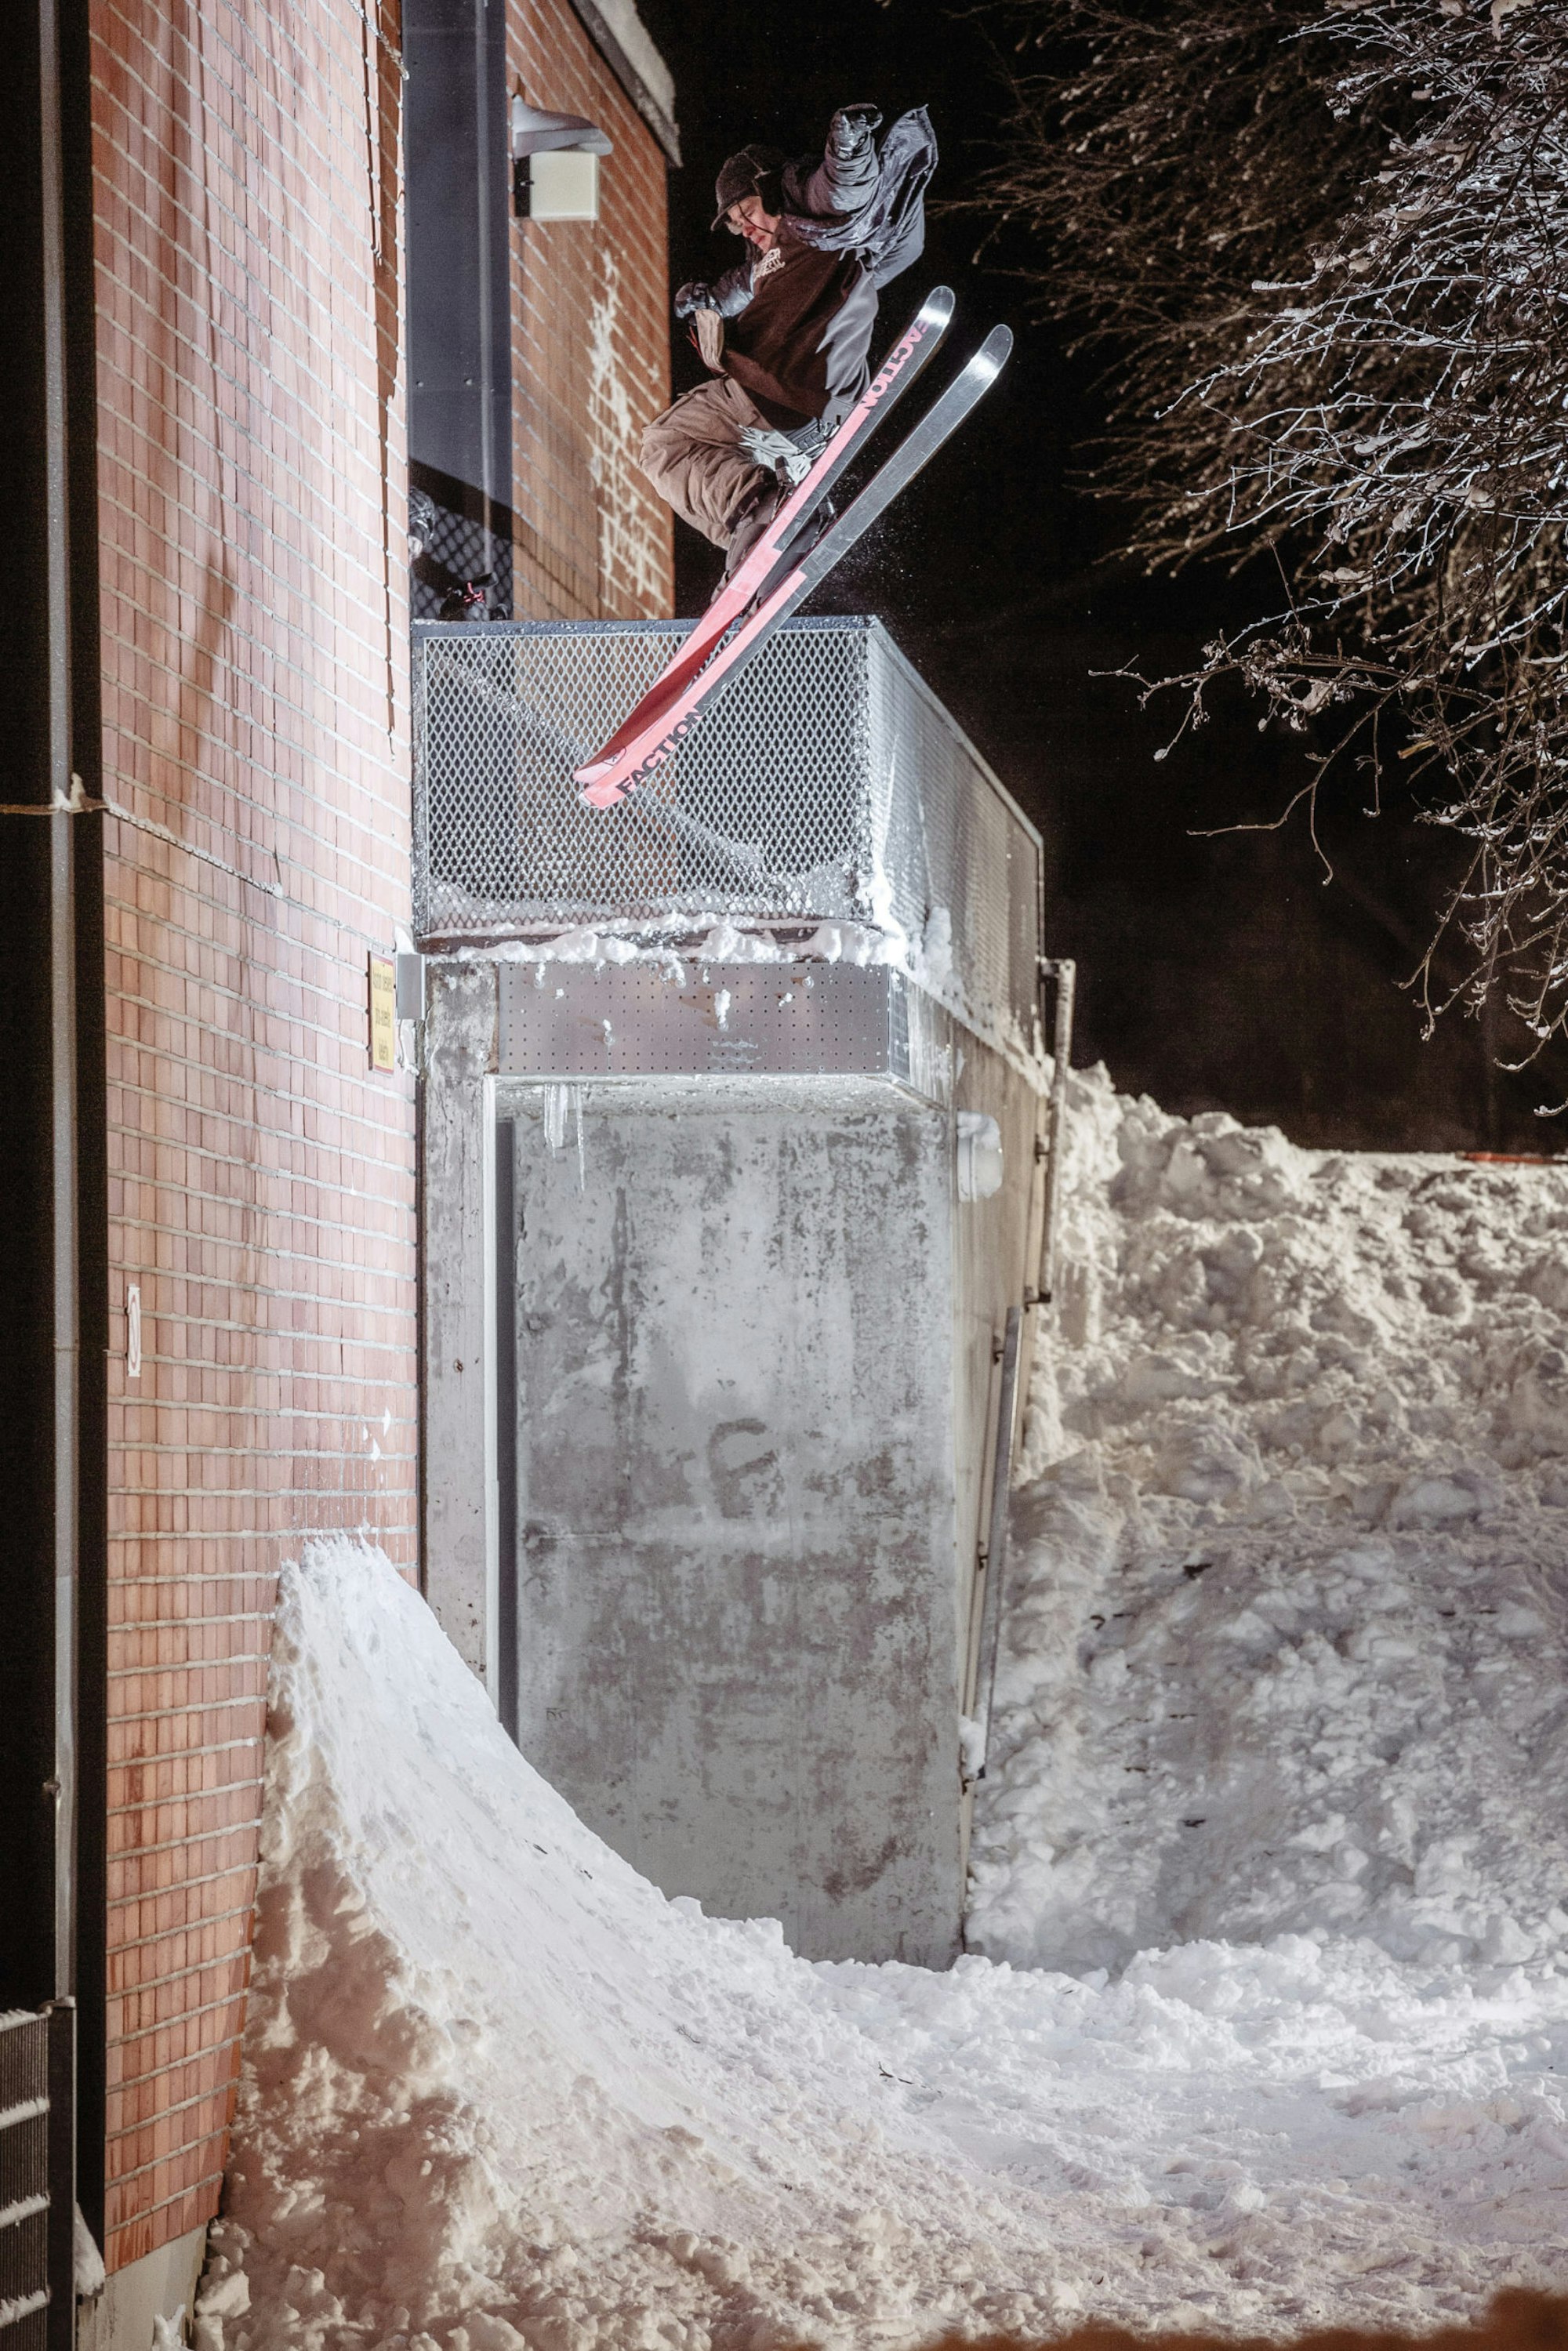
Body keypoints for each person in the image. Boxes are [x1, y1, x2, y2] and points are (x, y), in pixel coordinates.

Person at [639, 105, 937, 591]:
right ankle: (764, 548)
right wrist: (706, 300)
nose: (746, 228)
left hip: (772, 388)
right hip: (814, 418)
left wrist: (848, 148)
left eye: (747, 212)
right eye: (736, 225)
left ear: (769, 189)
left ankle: (760, 509)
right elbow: (738, 287)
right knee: (722, 494)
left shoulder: (808, 215)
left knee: (664, 446)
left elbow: (841, 188)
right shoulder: (769, 258)